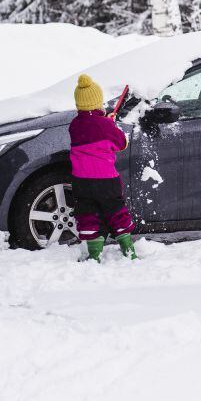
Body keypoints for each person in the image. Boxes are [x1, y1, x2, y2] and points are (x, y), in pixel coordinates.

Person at [68, 74, 136, 261]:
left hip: (81, 181)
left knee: (89, 214)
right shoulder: (105, 125)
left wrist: (106, 122)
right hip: (106, 180)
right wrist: (110, 124)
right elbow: (121, 143)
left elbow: (90, 130)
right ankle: (128, 250)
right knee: (115, 211)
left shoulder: (74, 126)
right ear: (98, 102)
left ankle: (94, 254)